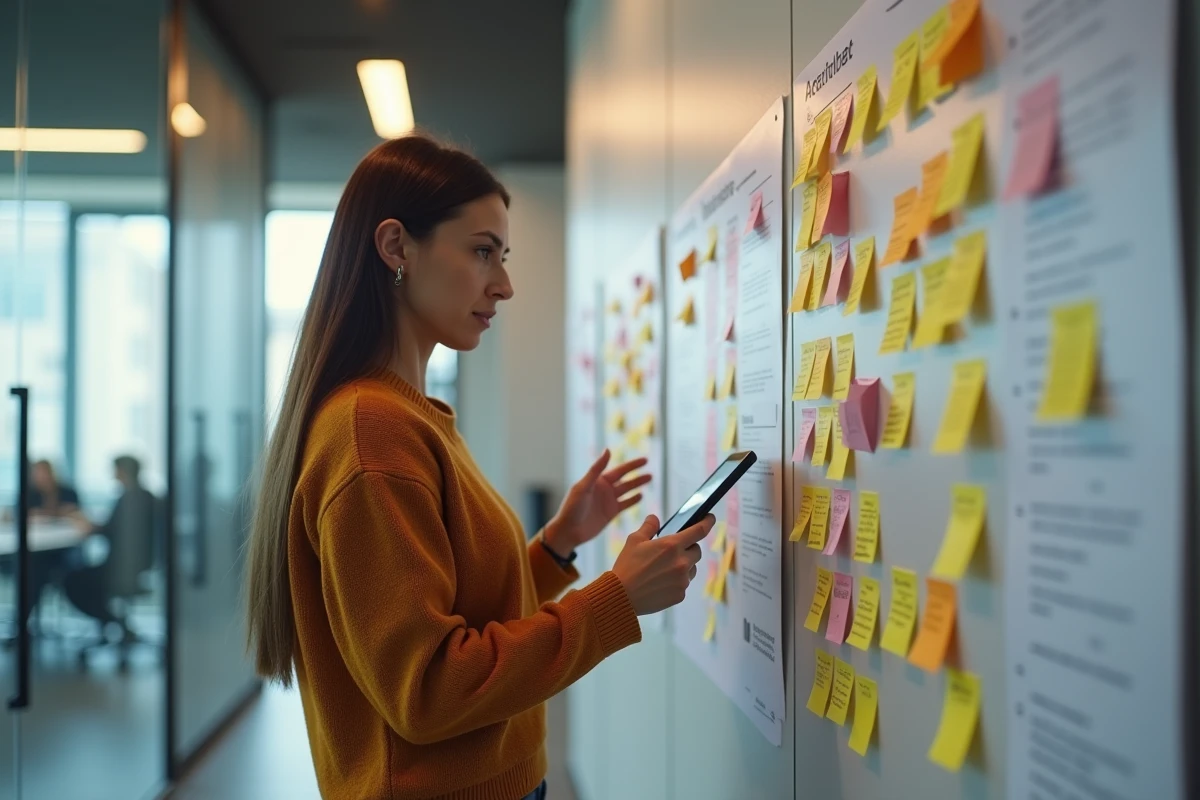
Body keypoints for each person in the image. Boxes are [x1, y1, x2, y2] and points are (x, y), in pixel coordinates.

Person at [244, 134, 713, 800]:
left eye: (503, 256)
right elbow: (431, 689)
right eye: (482, 251)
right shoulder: (372, 431)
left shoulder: (406, 416)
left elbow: (454, 611)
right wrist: (616, 600)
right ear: (396, 247)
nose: (505, 284)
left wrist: (557, 544)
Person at [62, 455, 158, 644]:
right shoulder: (145, 496)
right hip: (136, 567)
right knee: (81, 577)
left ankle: (114, 621)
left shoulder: (130, 499)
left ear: (123, 471)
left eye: (115, 470)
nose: (113, 474)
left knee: (72, 581)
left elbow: (112, 531)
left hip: (120, 569)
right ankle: (116, 623)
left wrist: (90, 526)